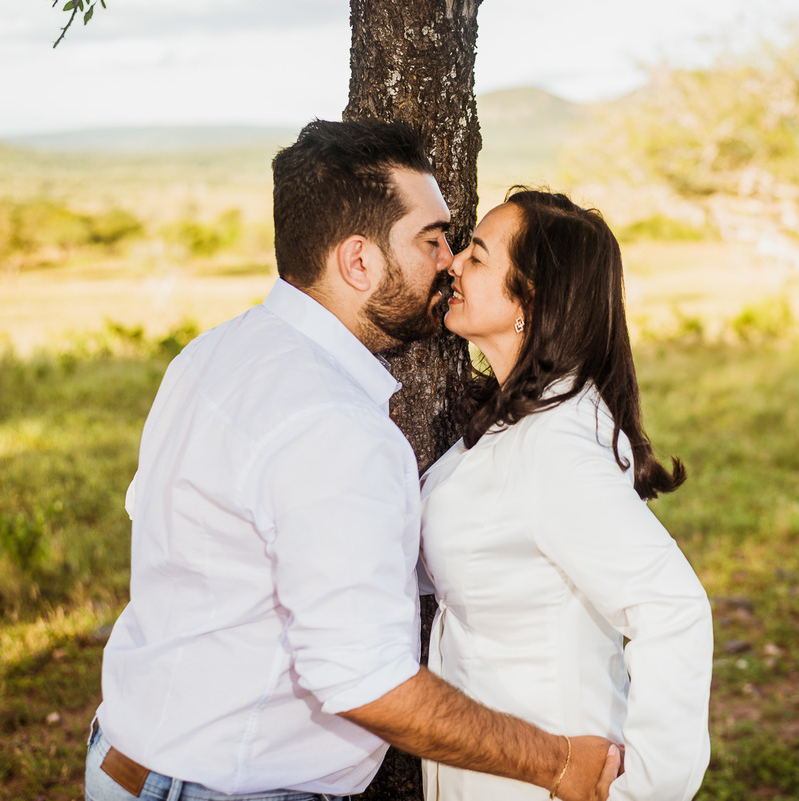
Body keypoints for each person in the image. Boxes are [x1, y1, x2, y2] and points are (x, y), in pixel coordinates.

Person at [85, 122, 619, 801]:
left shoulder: (211, 356)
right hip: (225, 786)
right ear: (358, 262)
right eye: (432, 239)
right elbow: (363, 679)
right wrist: (555, 761)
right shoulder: (333, 423)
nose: (451, 260)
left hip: (130, 760)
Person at [419, 189, 714, 801]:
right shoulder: (521, 418)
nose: (452, 265)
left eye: (476, 256)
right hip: (492, 766)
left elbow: (672, 606)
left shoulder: (555, 444)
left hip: (547, 774)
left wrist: (649, 791)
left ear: (531, 297)